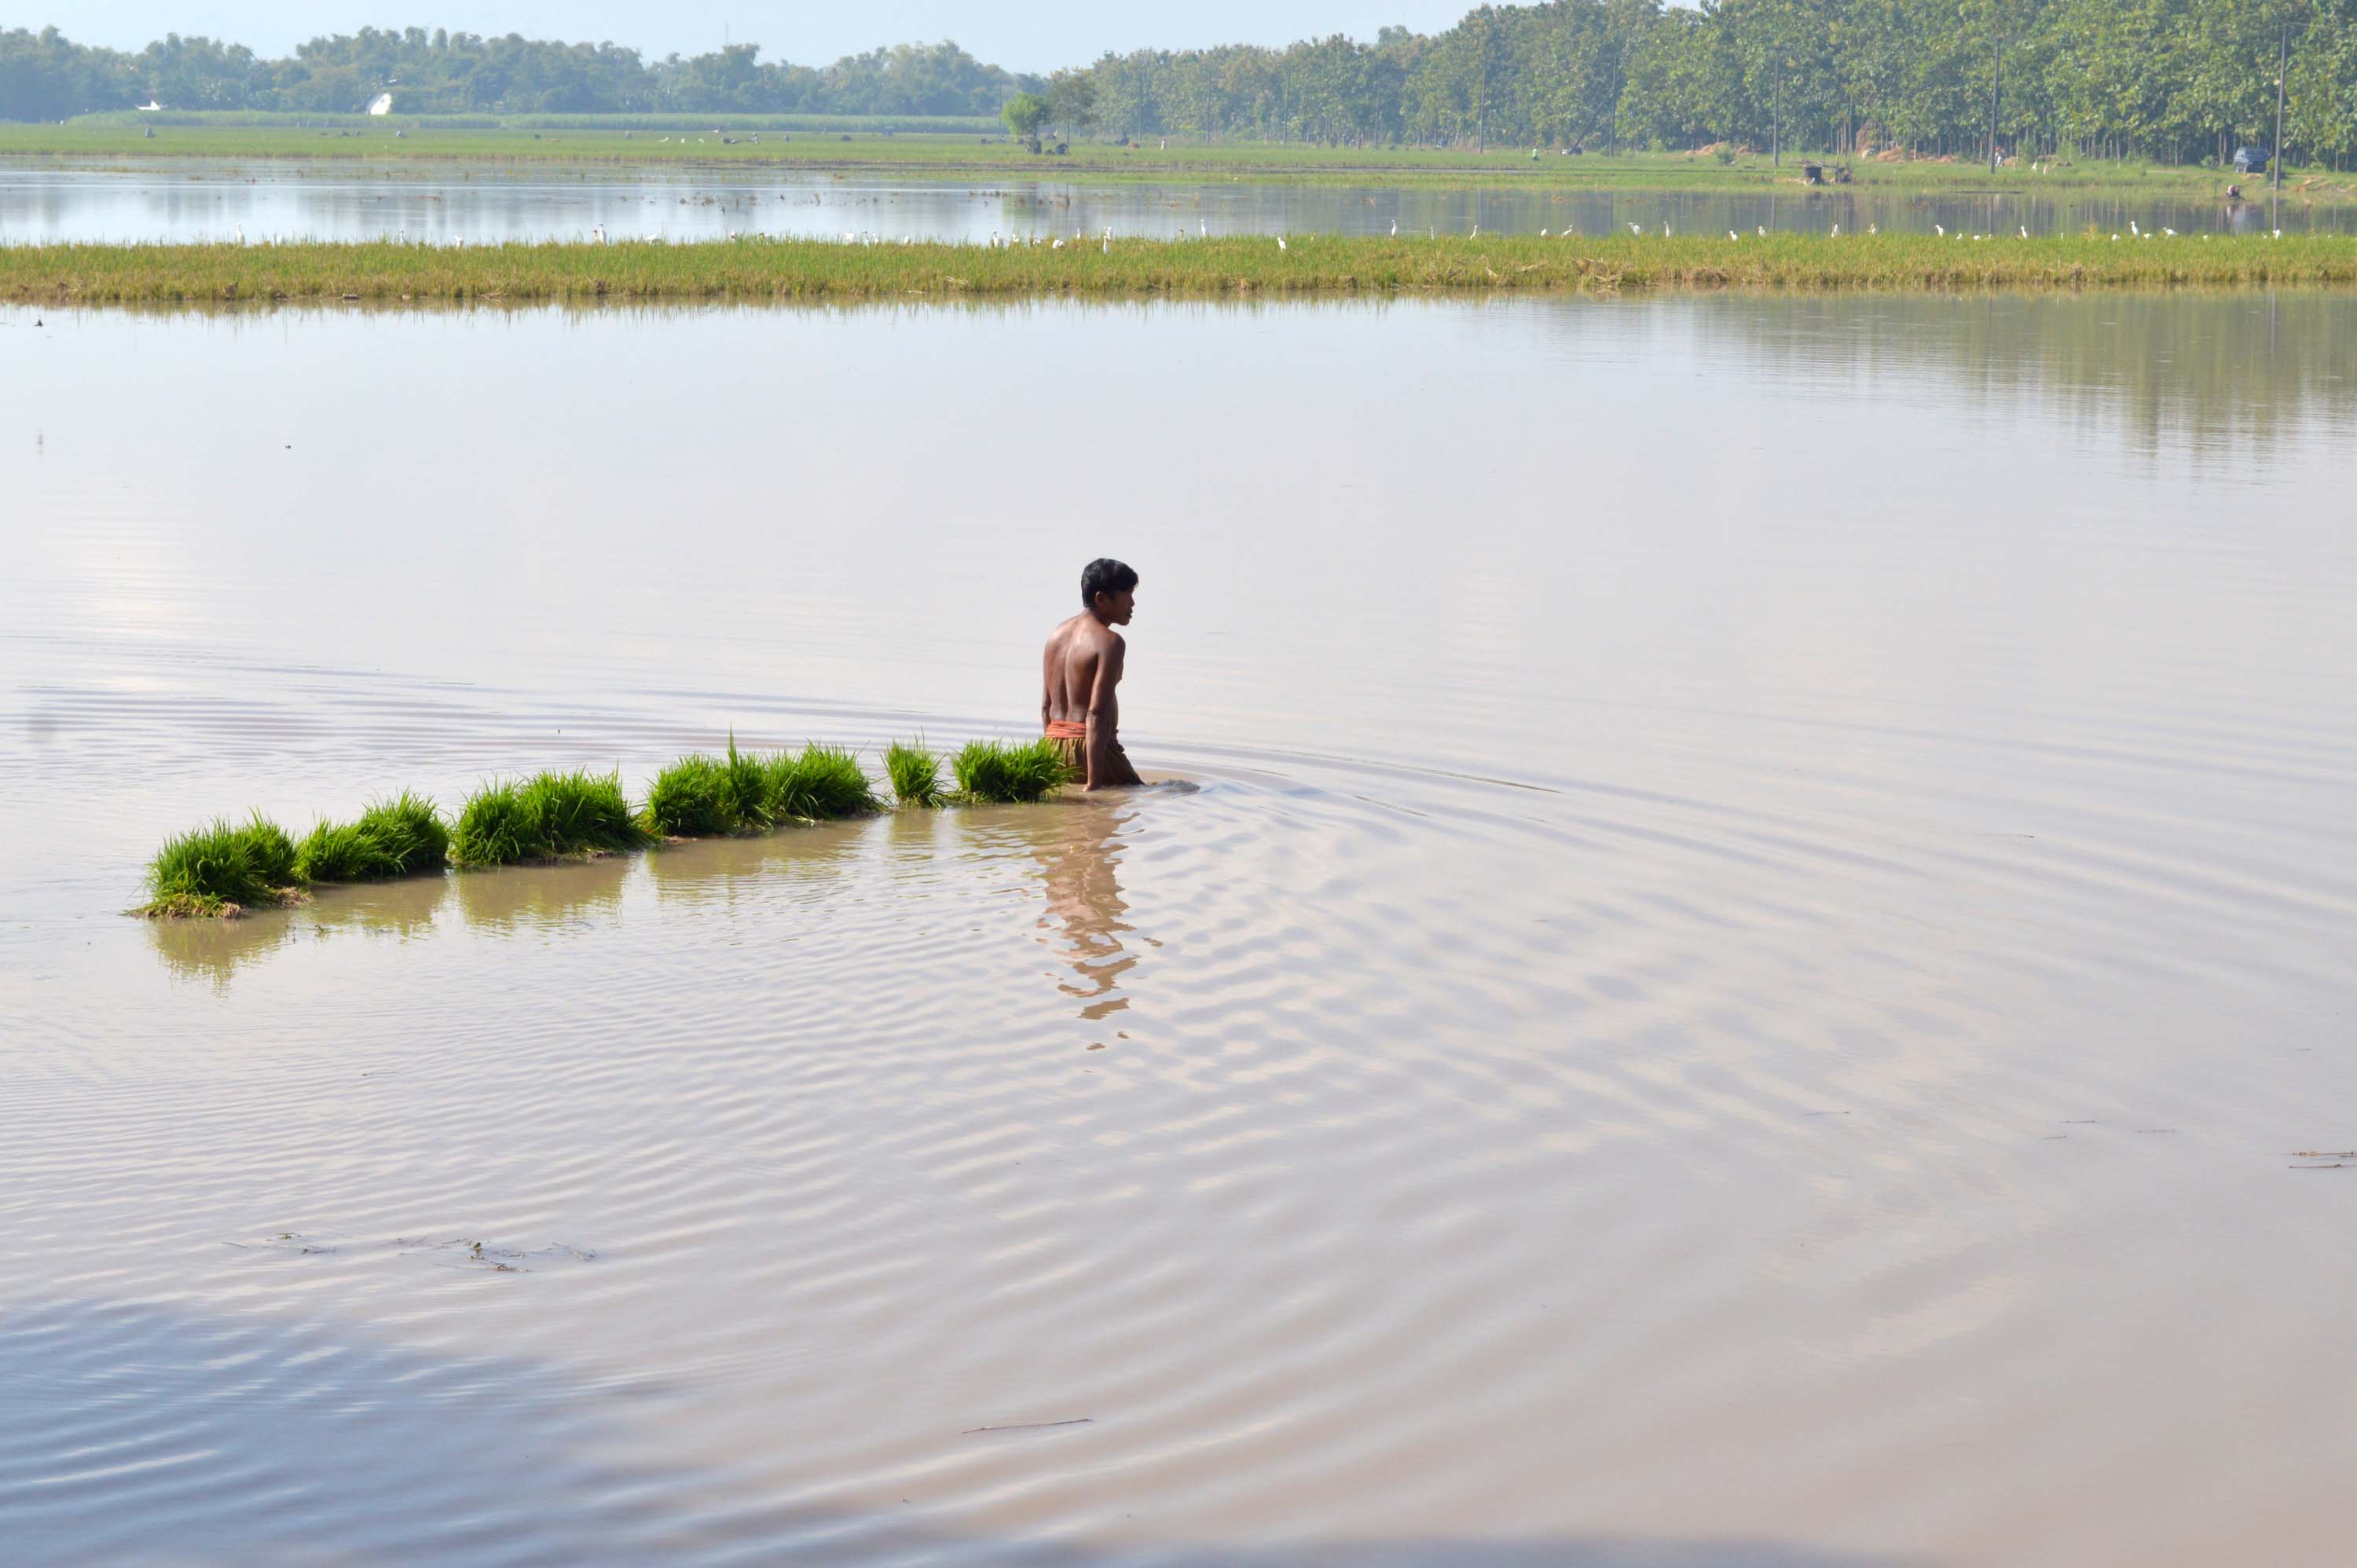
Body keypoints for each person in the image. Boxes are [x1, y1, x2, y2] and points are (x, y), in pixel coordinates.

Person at [1042, 558, 1144, 791]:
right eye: (1127, 594)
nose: (1133, 603)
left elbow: (1045, 707)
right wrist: (1094, 783)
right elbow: (1096, 714)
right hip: (1090, 749)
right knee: (1173, 791)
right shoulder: (1110, 643)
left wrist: (1048, 758)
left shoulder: (1055, 636)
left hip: (1053, 744)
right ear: (1101, 599)